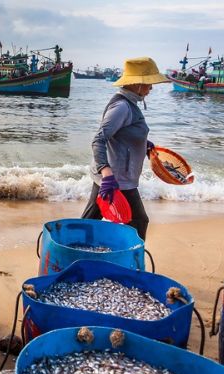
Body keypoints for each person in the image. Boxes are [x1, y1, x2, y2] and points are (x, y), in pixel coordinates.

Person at [81, 57, 169, 240]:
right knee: (138, 221)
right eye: (149, 83)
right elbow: (98, 139)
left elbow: (123, 136)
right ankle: (132, 261)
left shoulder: (130, 104)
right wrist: (106, 174)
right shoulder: (122, 107)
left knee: (91, 222)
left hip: (118, 177)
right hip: (114, 179)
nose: (151, 88)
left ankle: (79, 251)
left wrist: (144, 145)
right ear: (137, 84)